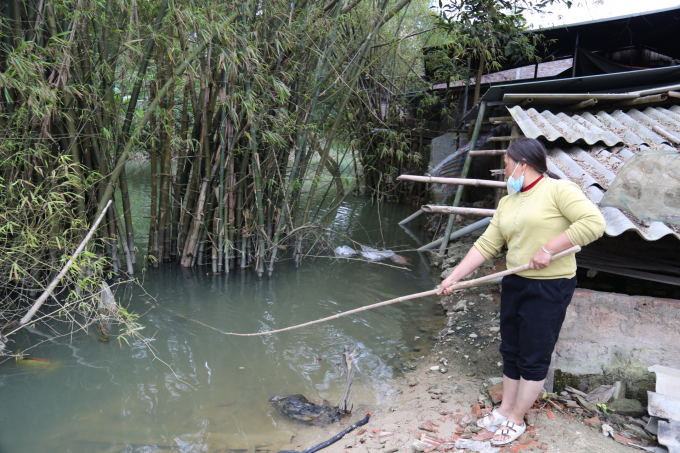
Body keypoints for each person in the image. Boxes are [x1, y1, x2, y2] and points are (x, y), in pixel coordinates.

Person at [436, 138, 606, 446]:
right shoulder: (508, 202)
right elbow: (486, 245)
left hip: (550, 286)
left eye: (506, 165)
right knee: (511, 349)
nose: (504, 171)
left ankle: (516, 418)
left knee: (533, 354)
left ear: (522, 164)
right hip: (515, 281)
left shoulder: (559, 190)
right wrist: (454, 277)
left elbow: (594, 223)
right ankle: (504, 409)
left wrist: (548, 248)